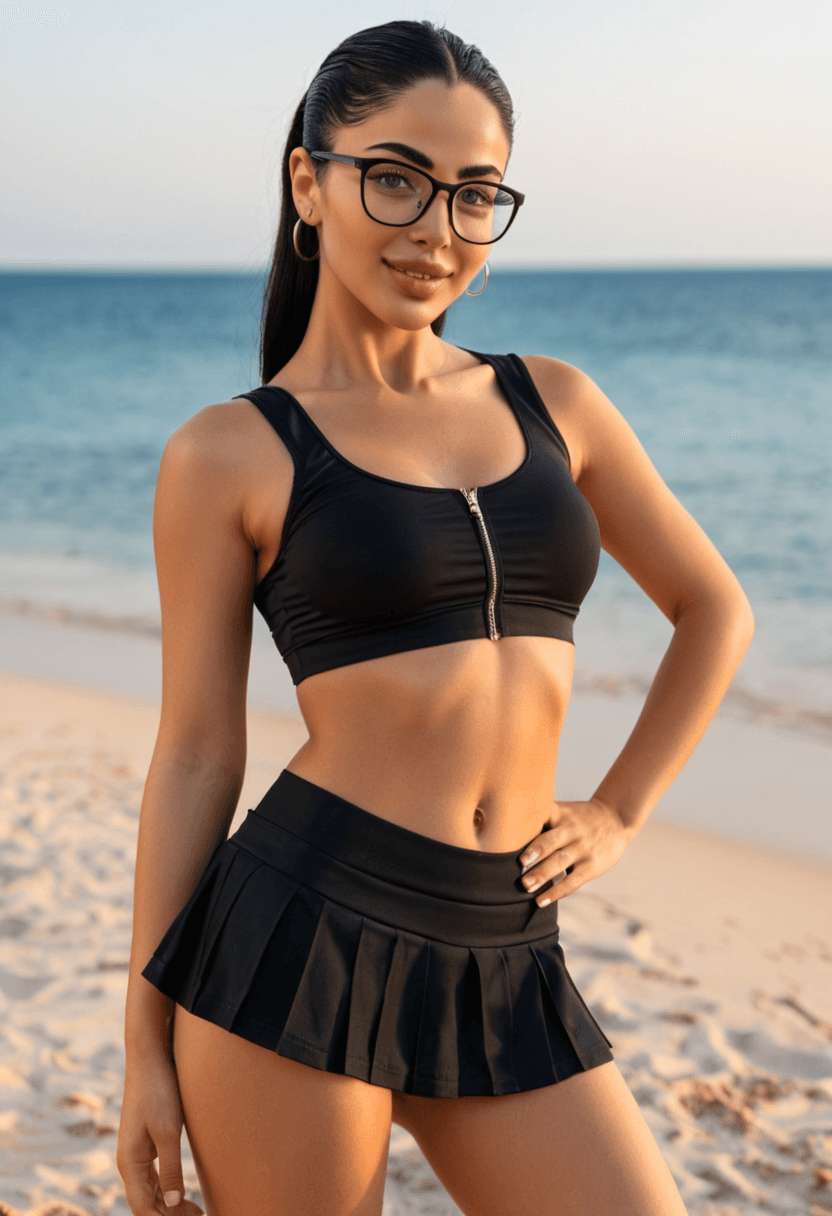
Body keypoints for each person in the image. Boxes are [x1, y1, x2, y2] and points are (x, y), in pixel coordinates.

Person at [117, 19, 754, 1216]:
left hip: (505, 942)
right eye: (396, 179)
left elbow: (712, 607)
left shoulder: (556, 402)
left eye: (474, 195)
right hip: (300, 931)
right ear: (309, 181)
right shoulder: (230, 451)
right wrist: (142, 1045)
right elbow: (199, 749)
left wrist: (618, 808)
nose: (435, 231)